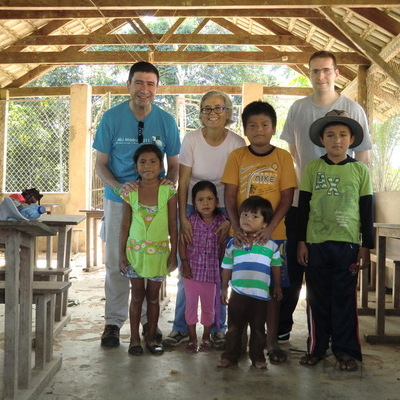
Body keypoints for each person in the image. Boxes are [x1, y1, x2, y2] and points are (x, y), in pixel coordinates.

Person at [278, 50, 372, 342]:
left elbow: (364, 155)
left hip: (342, 210)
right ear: (309, 73)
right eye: (315, 71)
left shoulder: (353, 108)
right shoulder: (298, 108)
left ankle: (339, 340)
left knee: (340, 280)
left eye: (326, 70)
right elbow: (294, 152)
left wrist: (358, 202)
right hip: (303, 203)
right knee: (294, 269)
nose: (321, 76)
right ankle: (283, 329)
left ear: (336, 73)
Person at [93, 61, 180, 347]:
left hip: (156, 204)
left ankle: (148, 324)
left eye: (150, 84)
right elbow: (101, 165)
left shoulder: (166, 121)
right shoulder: (111, 118)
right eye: (139, 83)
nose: (145, 89)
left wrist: (170, 185)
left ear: (157, 88)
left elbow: (175, 165)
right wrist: (119, 187)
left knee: (151, 262)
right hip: (119, 202)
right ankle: (113, 323)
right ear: (128, 85)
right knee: (119, 263)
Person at [163, 91, 245, 348]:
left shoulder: (237, 143)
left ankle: (218, 328)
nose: (212, 113)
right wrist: (184, 218)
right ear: (200, 113)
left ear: (228, 113)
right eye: (206, 109)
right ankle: (181, 328)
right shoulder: (191, 140)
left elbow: (239, 185)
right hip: (192, 206)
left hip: (225, 207)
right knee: (186, 268)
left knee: (221, 270)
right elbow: (184, 181)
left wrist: (232, 220)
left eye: (218, 108)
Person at [297, 110, 373, 371]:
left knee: (344, 298)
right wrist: (301, 242)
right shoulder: (312, 168)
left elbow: (366, 211)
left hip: (348, 244)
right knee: (317, 298)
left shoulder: (360, 171)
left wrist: (366, 246)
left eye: (342, 135)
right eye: (330, 135)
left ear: (351, 139)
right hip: (316, 243)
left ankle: (345, 350)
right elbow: (303, 208)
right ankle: (316, 347)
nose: (336, 140)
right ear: (322, 139)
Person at [221, 101, 297, 363]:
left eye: (265, 124)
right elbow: (229, 195)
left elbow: (287, 198)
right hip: (240, 235)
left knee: (273, 292)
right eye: (252, 125)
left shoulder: (282, 157)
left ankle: (271, 341)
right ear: (245, 129)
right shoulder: (237, 157)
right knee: (241, 288)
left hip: (274, 236)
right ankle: (238, 342)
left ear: (273, 128)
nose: (259, 130)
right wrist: (235, 227)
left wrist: (271, 228)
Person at [118, 144, 178, 355]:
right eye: (142, 162)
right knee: (136, 296)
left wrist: (174, 253)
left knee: (153, 298)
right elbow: (124, 225)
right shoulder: (130, 192)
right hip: (134, 253)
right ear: (136, 167)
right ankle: (134, 339)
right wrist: (121, 255)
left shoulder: (168, 191)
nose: (147, 166)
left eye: (153, 161)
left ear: (161, 166)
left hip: (159, 254)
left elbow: (173, 223)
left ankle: (151, 338)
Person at [218, 196, 282, 369]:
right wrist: (224, 288)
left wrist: (277, 286)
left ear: (265, 224)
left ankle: (257, 357)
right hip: (238, 294)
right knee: (233, 329)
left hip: (260, 297)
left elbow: (276, 266)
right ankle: (230, 356)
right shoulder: (234, 243)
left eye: (255, 216)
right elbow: (226, 266)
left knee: (258, 329)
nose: (248, 219)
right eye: (245, 215)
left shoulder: (271, 245)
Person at [180, 181, 227, 353]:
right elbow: (181, 242)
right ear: (194, 203)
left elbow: (223, 248)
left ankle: (206, 337)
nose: (205, 203)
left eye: (209, 199)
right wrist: (184, 262)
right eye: (200, 200)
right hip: (191, 272)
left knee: (209, 307)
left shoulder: (222, 222)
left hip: (211, 274)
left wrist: (223, 269)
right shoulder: (189, 221)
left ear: (217, 201)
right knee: (191, 306)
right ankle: (192, 338)